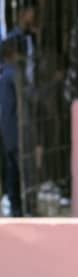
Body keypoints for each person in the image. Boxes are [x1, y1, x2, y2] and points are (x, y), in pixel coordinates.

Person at [0, 34, 22, 216]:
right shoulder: (11, 75)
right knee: (14, 167)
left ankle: (13, 203)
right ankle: (15, 205)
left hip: (7, 128)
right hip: (12, 129)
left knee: (11, 167)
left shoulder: (5, 74)